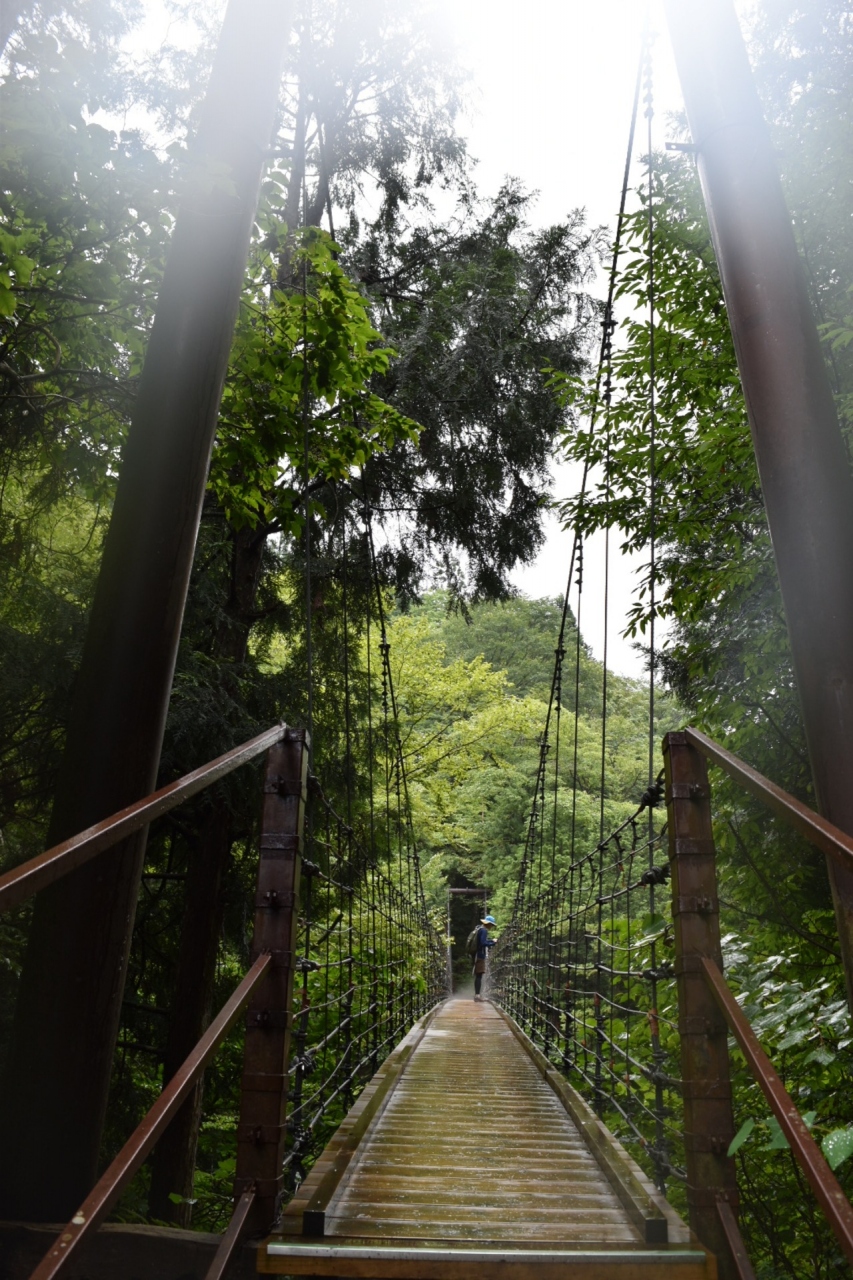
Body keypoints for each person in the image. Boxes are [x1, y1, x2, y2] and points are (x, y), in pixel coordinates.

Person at [473, 914, 497, 1001]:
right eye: (491, 925)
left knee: (478, 975)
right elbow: (483, 943)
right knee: (479, 975)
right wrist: (493, 943)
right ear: (488, 924)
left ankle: (477, 995)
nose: (491, 927)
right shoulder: (484, 930)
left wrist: (490, 941)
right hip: (480, 956)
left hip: (476, 954)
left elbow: (482, 941)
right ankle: (477, 996)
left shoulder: (479, 929)